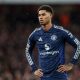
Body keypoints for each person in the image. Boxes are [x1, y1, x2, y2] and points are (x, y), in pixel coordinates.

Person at [25, 5, 80, 80]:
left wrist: (71, 64)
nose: (41, 17)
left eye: (43, 14)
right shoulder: (35, 34)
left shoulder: (61, 32)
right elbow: (27, 51)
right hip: (43, 77)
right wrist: (34, 68)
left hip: (59, 76)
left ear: (50, 15)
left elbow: (78, 45)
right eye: (39, 15)